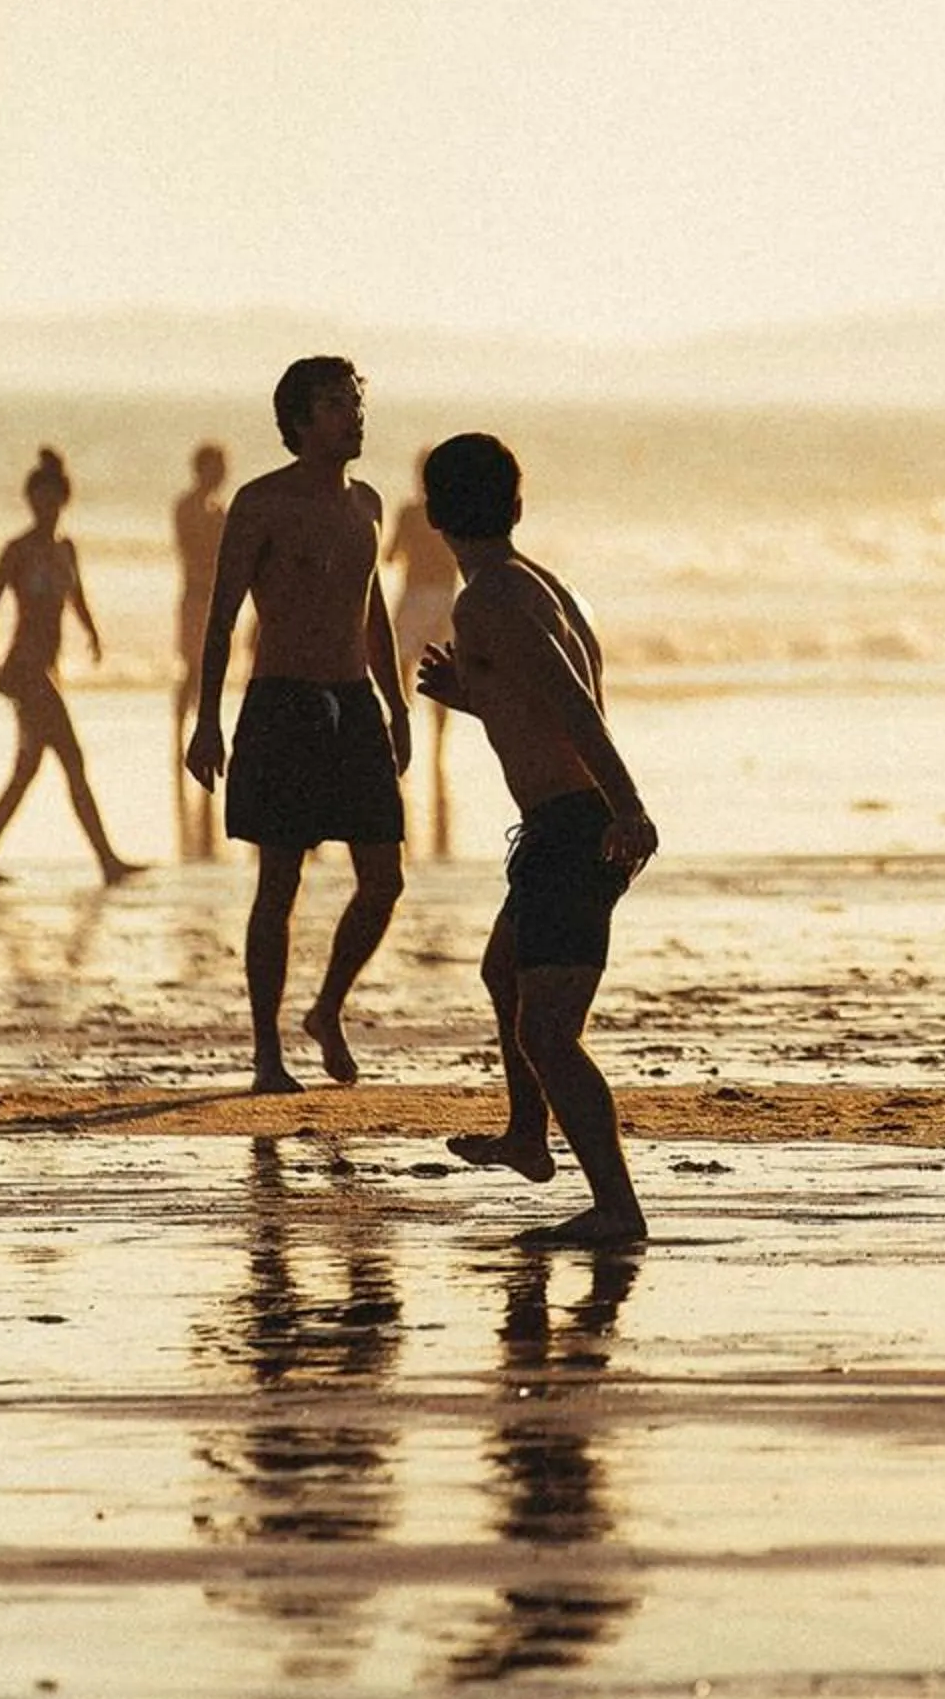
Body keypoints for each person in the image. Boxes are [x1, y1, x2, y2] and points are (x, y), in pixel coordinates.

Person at [415, 432, 656, 1248]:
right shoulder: (534, 585)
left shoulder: (489, 600)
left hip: (577, 826)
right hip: (563, 824)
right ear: (515, 507)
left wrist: (628, 806)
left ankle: (617, 1209)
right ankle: (526, 1136)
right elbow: (540, 699)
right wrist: (472, 693)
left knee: (548, 1030)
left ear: (433, 516)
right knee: (503, 972)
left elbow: (571, 702)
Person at [184, 358, 410, 1093]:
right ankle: (265, 1054)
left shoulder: (368, 504)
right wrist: (206, 721)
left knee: (384, 880)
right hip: (282, 704)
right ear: (301, 422)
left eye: (355, 401)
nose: (354, 415)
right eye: (337, 405)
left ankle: (326, 1008)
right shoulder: (261, 504)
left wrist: (398, 704)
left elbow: (370, 608)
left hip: (355, 705)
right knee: (278, 883)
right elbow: (221, 619)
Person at [0, 447, 141, 887]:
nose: (45, 506)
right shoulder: (18, 549)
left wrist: (93, 634)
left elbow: (77, 597)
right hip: (24, 671)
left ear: (62, 500)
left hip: (48, 671)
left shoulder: (66, 547)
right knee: (71, 759)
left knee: (27, 770)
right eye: (39, 498)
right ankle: (107, 860)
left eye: (52, 498)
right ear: (30, 501)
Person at [386, 449, 461, 845]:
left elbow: (390, 555)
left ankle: (405, 736)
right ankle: (434, 748)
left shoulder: (412, 512)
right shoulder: (454, 512)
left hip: (419, 595)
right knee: (440, 672)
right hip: (441, 596)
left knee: (406, 669)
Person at [173, 442, 230, 764]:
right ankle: (180, 732)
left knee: (210, 669)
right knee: (193, 667)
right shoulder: (188, 506)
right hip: (195, 596)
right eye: (217, 467)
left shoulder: (218, 509)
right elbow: (191, 550)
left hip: (213, 597)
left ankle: (203, 729)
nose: (222, 474)